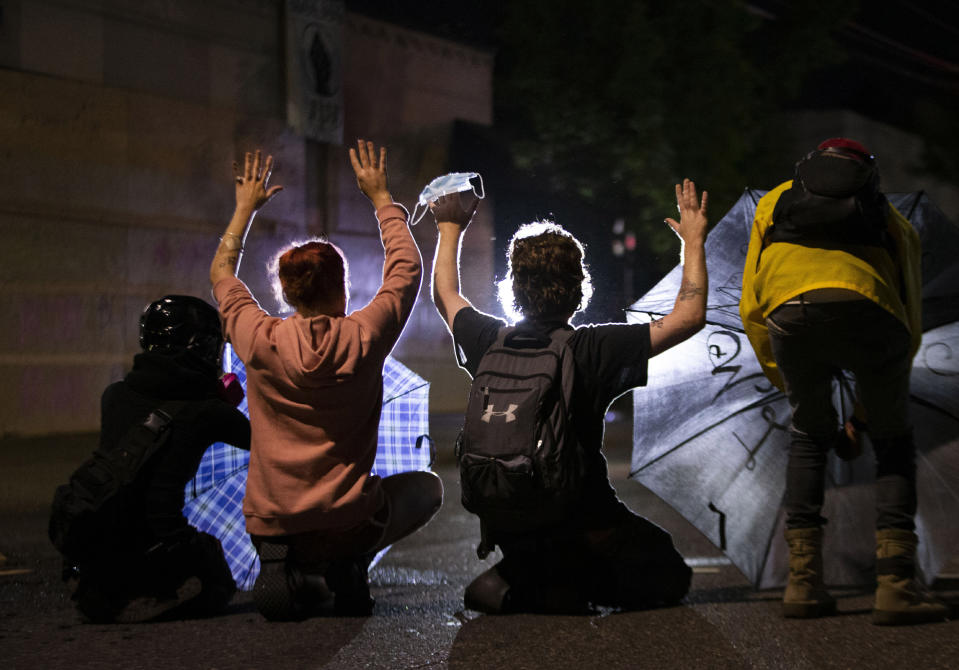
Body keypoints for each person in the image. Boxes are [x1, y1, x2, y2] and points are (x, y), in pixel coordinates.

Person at [430, 179, 708, 613]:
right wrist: (692, 240)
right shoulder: (591, 348)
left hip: (511, 522)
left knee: (542, 559)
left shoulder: (490, 339)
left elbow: (446, 294)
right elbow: (688, 317)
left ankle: (527, 576)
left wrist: (450, 227)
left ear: (514, 286)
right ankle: (564, 583)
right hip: (583, 520)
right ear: (578, 288)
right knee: (670, 571)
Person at [209, 141, 443, 620]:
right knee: (427, 487)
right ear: (342, 285)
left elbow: (220, 273)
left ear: (287, 292)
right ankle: (349, 562)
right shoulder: (364, 335)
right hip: (348, 519)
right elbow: (406, 269)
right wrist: (380, 197)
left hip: (273, 520)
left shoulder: (257, 337)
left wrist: (243, 211)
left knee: (283, 528)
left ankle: (281, 563)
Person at [740, 138, 946, 625]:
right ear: (866, 179)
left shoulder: (775, 202)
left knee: (808, 437)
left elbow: (751, 305)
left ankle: (804, 583)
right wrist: (867, 417)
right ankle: (896, 586)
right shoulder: (892, 223)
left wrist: (787, 381)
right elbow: (909, 323)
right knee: (894, 442)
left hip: (791, 314)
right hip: (874, 316)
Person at [57, 295, 251, 623]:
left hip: (99, 533)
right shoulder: (207, 412)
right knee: (214, 565)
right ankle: (151, 594)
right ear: (200, 348)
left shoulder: (114, 396)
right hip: (160, 538)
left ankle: (107, 589)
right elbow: (259, 440)